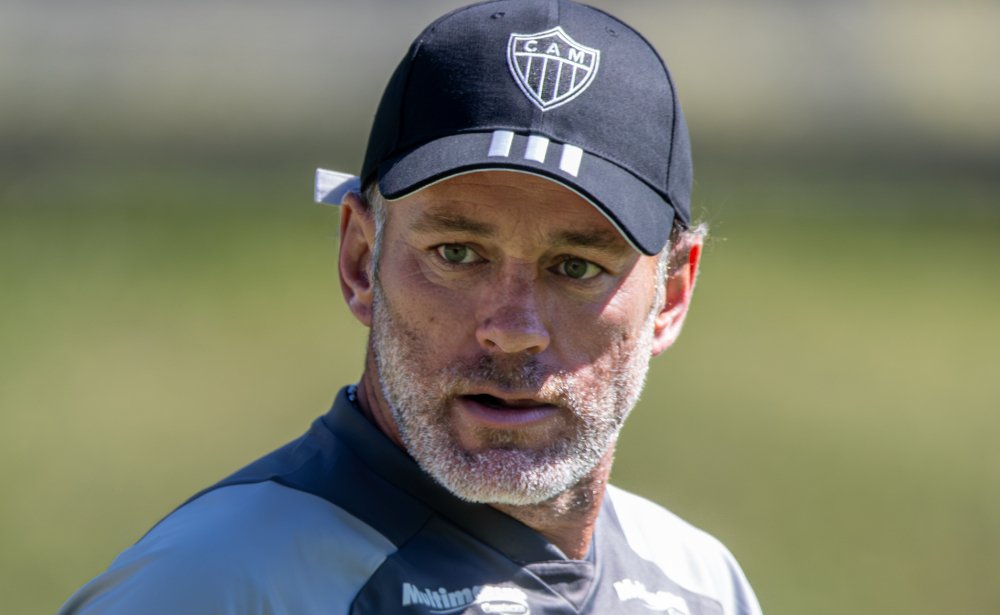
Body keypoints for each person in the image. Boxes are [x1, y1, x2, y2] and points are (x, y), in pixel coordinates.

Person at [60, 1, 762, 613]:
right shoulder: (217, 586)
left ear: (671, 295)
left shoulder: (700, 586)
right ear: (361, 260)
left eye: (575, 266)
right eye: (457, 253)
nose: (512, 330)